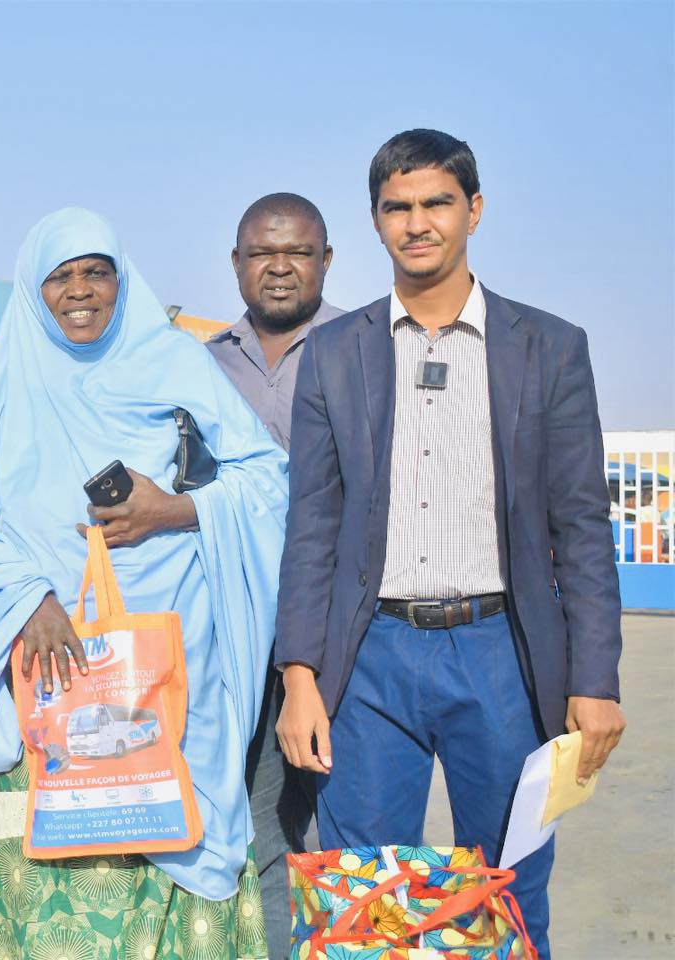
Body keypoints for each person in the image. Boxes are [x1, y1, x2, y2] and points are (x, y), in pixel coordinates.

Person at [274, 129, 626, 957]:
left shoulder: (549, 348)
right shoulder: (333, 352)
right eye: (398, 207)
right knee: (361, 898)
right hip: (369, 662)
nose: (417, 223)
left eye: (436, 203)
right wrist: (299, 677)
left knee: (506, 885)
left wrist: (595, 678)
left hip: (501, 653)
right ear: (376, 221)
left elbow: (581, 524)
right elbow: (312, 527)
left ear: (474, 210)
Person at [0, 208, 289, 960]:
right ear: (35, 292)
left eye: (96, 271)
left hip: (172, 644)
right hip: (50, 657)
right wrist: (27, 596)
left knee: (172, 829)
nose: (80, 290)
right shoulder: (9, 379)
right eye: (59, 276)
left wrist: (178, 509)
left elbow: (267, 478)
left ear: (122, 282)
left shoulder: (173, 360)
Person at [205, 192, 343, 950]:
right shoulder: (199, 364)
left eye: (297, 252)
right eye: (262, 253)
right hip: (237, 622)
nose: (280, 267)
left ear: (326, 260)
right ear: (237, 264)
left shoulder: (363, 346)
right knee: (257, 814)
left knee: (341, 814)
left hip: (340, 621)